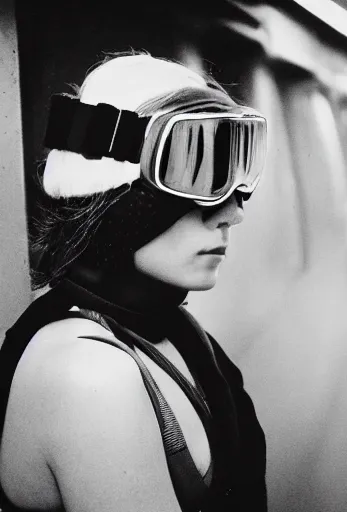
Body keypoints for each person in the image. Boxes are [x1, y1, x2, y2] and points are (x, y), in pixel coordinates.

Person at [0, 54, 268, 512]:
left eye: (236, 177)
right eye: (198, 172)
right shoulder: (89, 375)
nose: (233, 212)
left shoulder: (168, 332)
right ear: (116, 200)